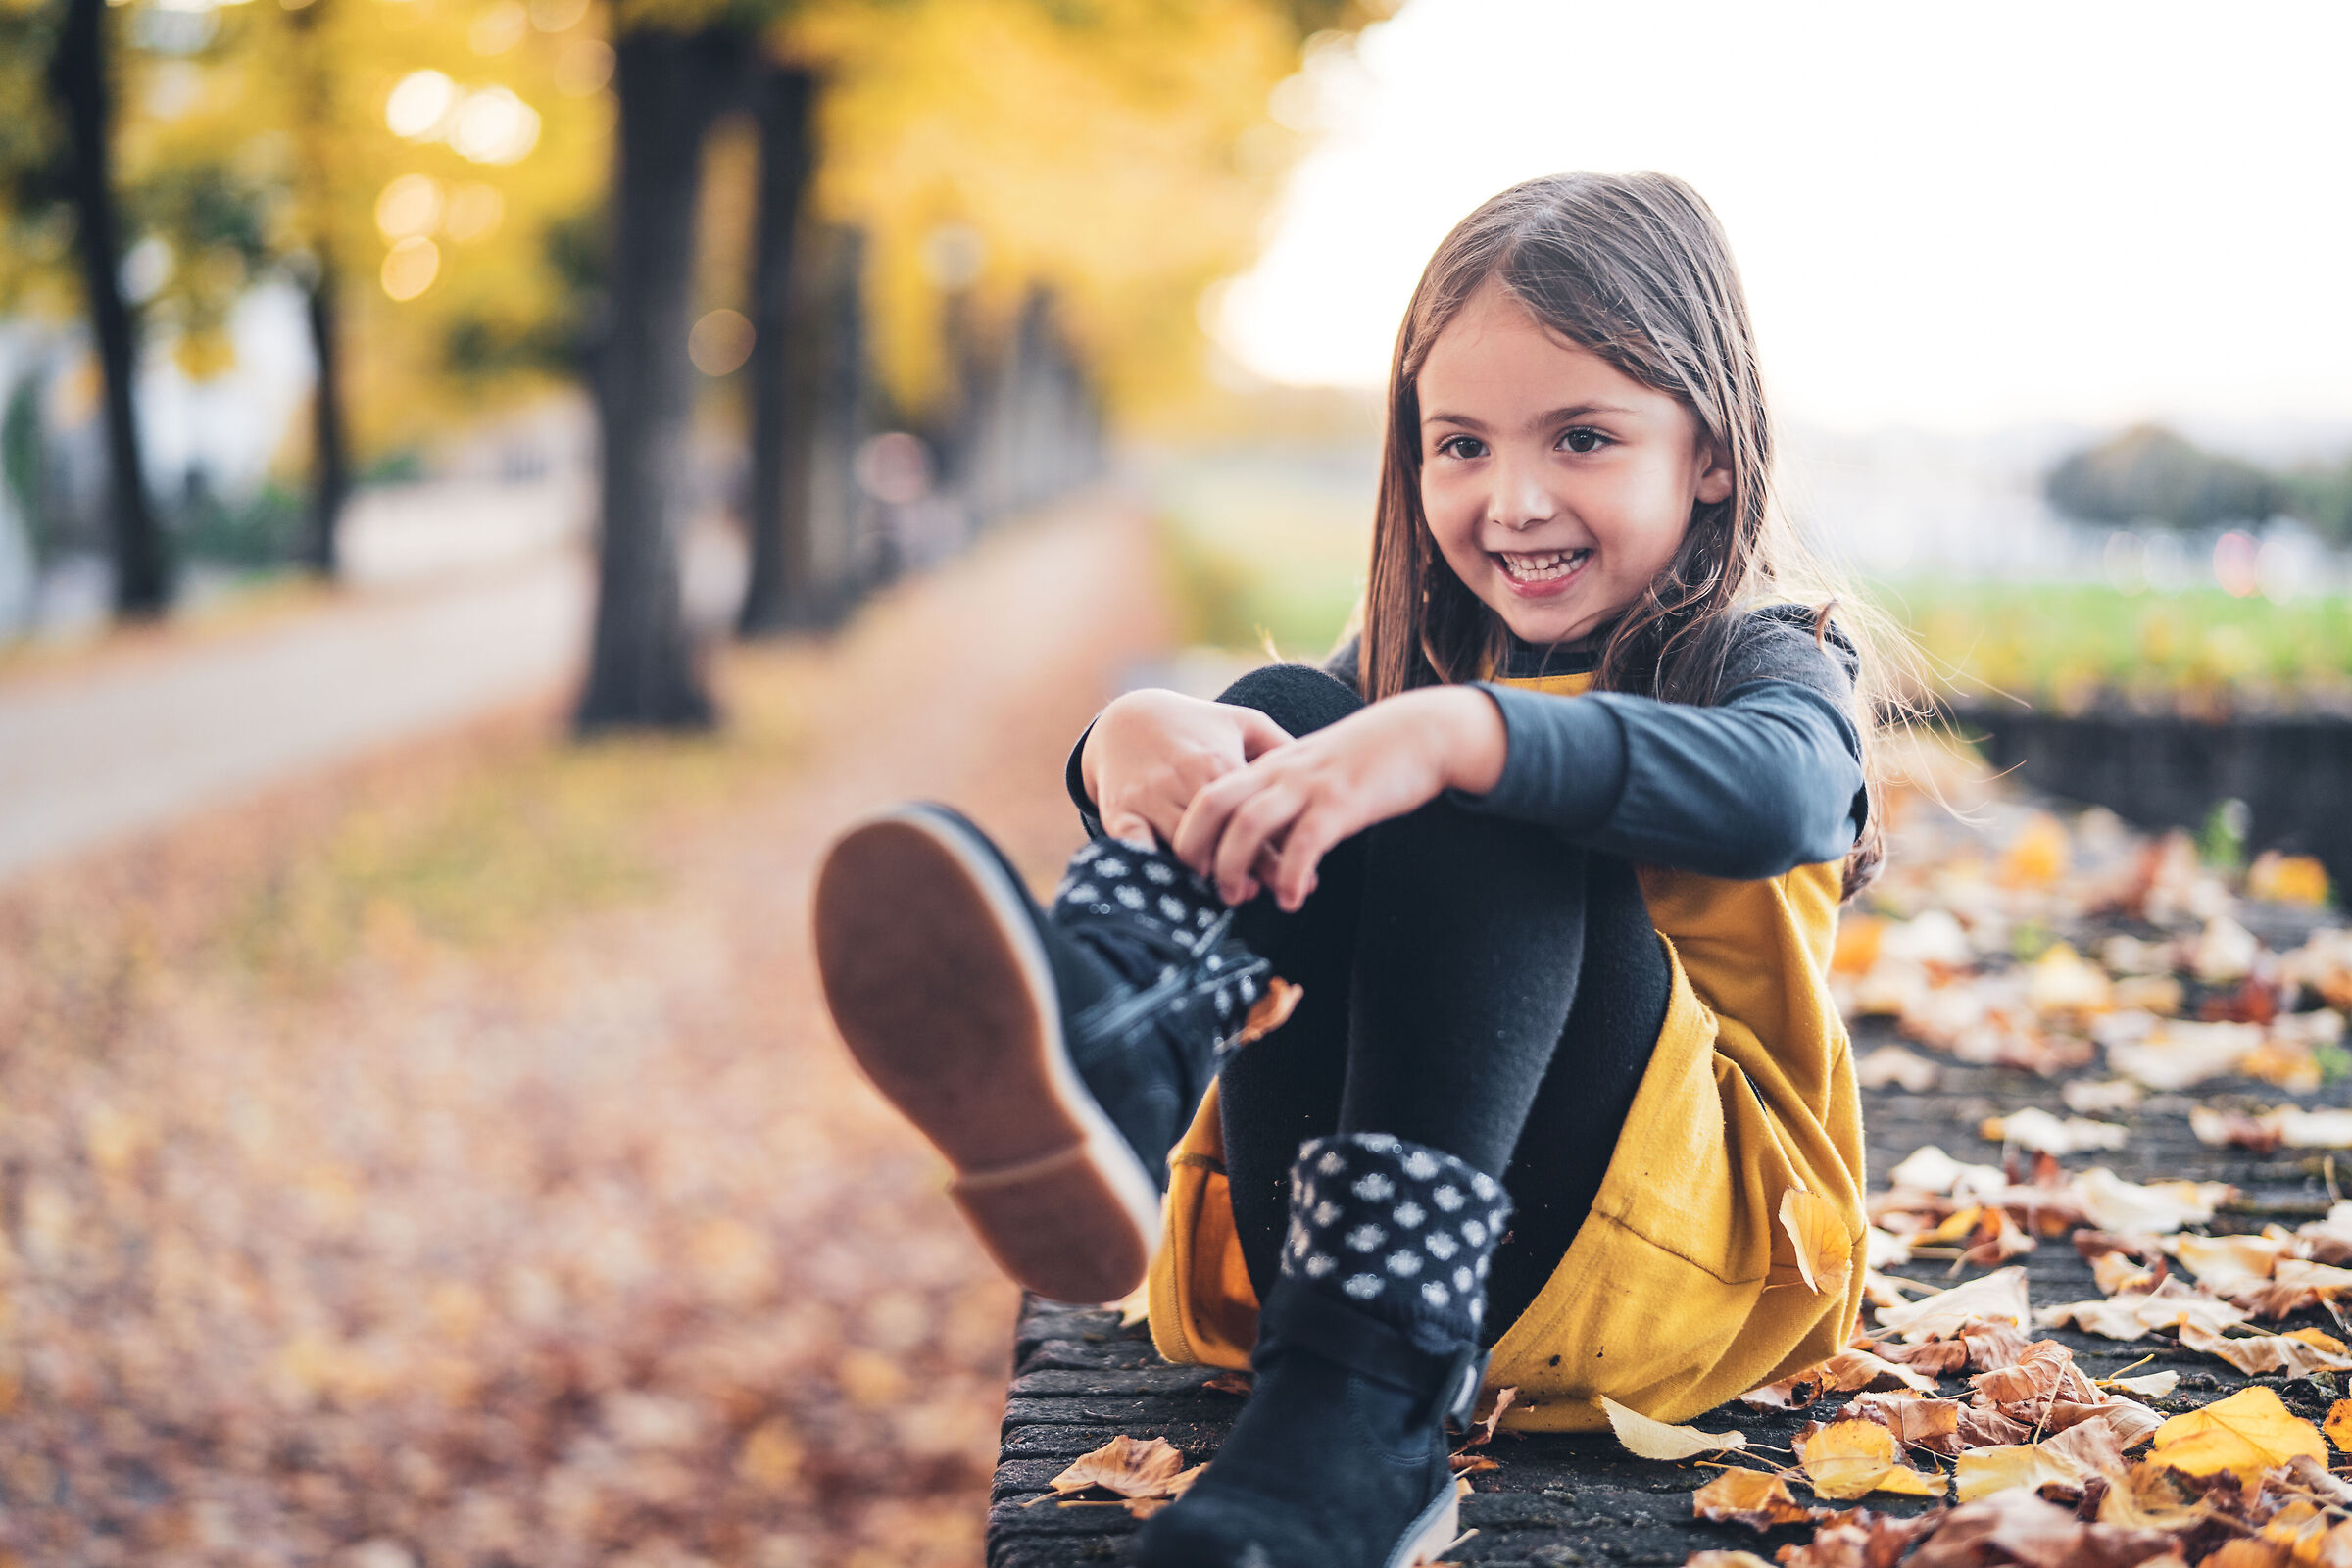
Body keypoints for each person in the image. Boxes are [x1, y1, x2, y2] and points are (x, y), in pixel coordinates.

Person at [813, 171, 1895, 1568]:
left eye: (1581, 437)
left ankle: (1360, 1415)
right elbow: (1291, 756)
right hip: (1339, 1250)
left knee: (1470, 775)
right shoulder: (1410, 667)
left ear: (1714, 453)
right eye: (1460, 446)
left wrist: (1463, 735)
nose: (1513, 500)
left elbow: (1788, 796)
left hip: (1670, 1261)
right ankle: (1119, 1054)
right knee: (1289, 712)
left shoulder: (1766, 658)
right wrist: (1118, 746)